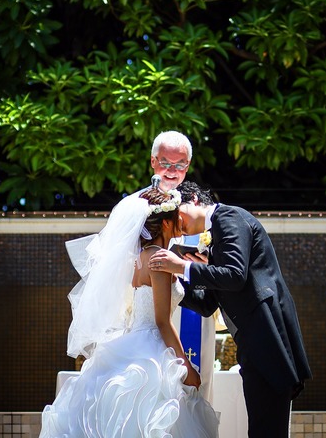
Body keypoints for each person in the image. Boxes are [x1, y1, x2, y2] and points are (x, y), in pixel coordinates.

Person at [41, 186, 220, 438]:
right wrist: (186, 367)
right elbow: (162, 322)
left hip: (134, 341)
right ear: (165, 223)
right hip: (153, 350)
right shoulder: (159, 258)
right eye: (176, 216)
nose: (181, 221)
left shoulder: (139, 258)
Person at [147, 181, 311, 438]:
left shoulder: (230, 216)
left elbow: (234, 276)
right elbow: (207, 303)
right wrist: (174, 283)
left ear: (195, 201)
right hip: (253, 344)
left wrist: (182, 267)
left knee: (267, 427)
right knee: (261, 426)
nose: (177, 225)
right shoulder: (216, 234)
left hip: (268, 338)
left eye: (178, 212)